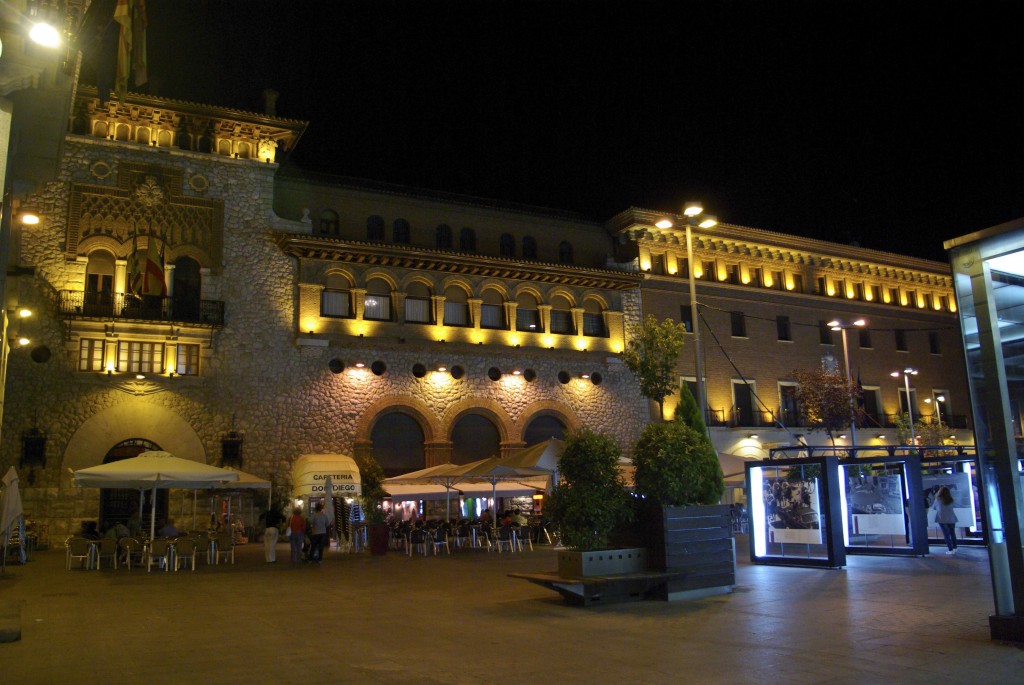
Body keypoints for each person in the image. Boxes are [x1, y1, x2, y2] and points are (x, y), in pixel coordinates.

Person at [932, 486, 958, 555]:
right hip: (951, 518)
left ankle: (950, 549)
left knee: (946, 535)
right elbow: (953, 506)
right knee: (952, 533)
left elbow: (934, 507)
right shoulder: (951, 499)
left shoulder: (938, 499)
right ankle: (955, 547)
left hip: (942, 519)